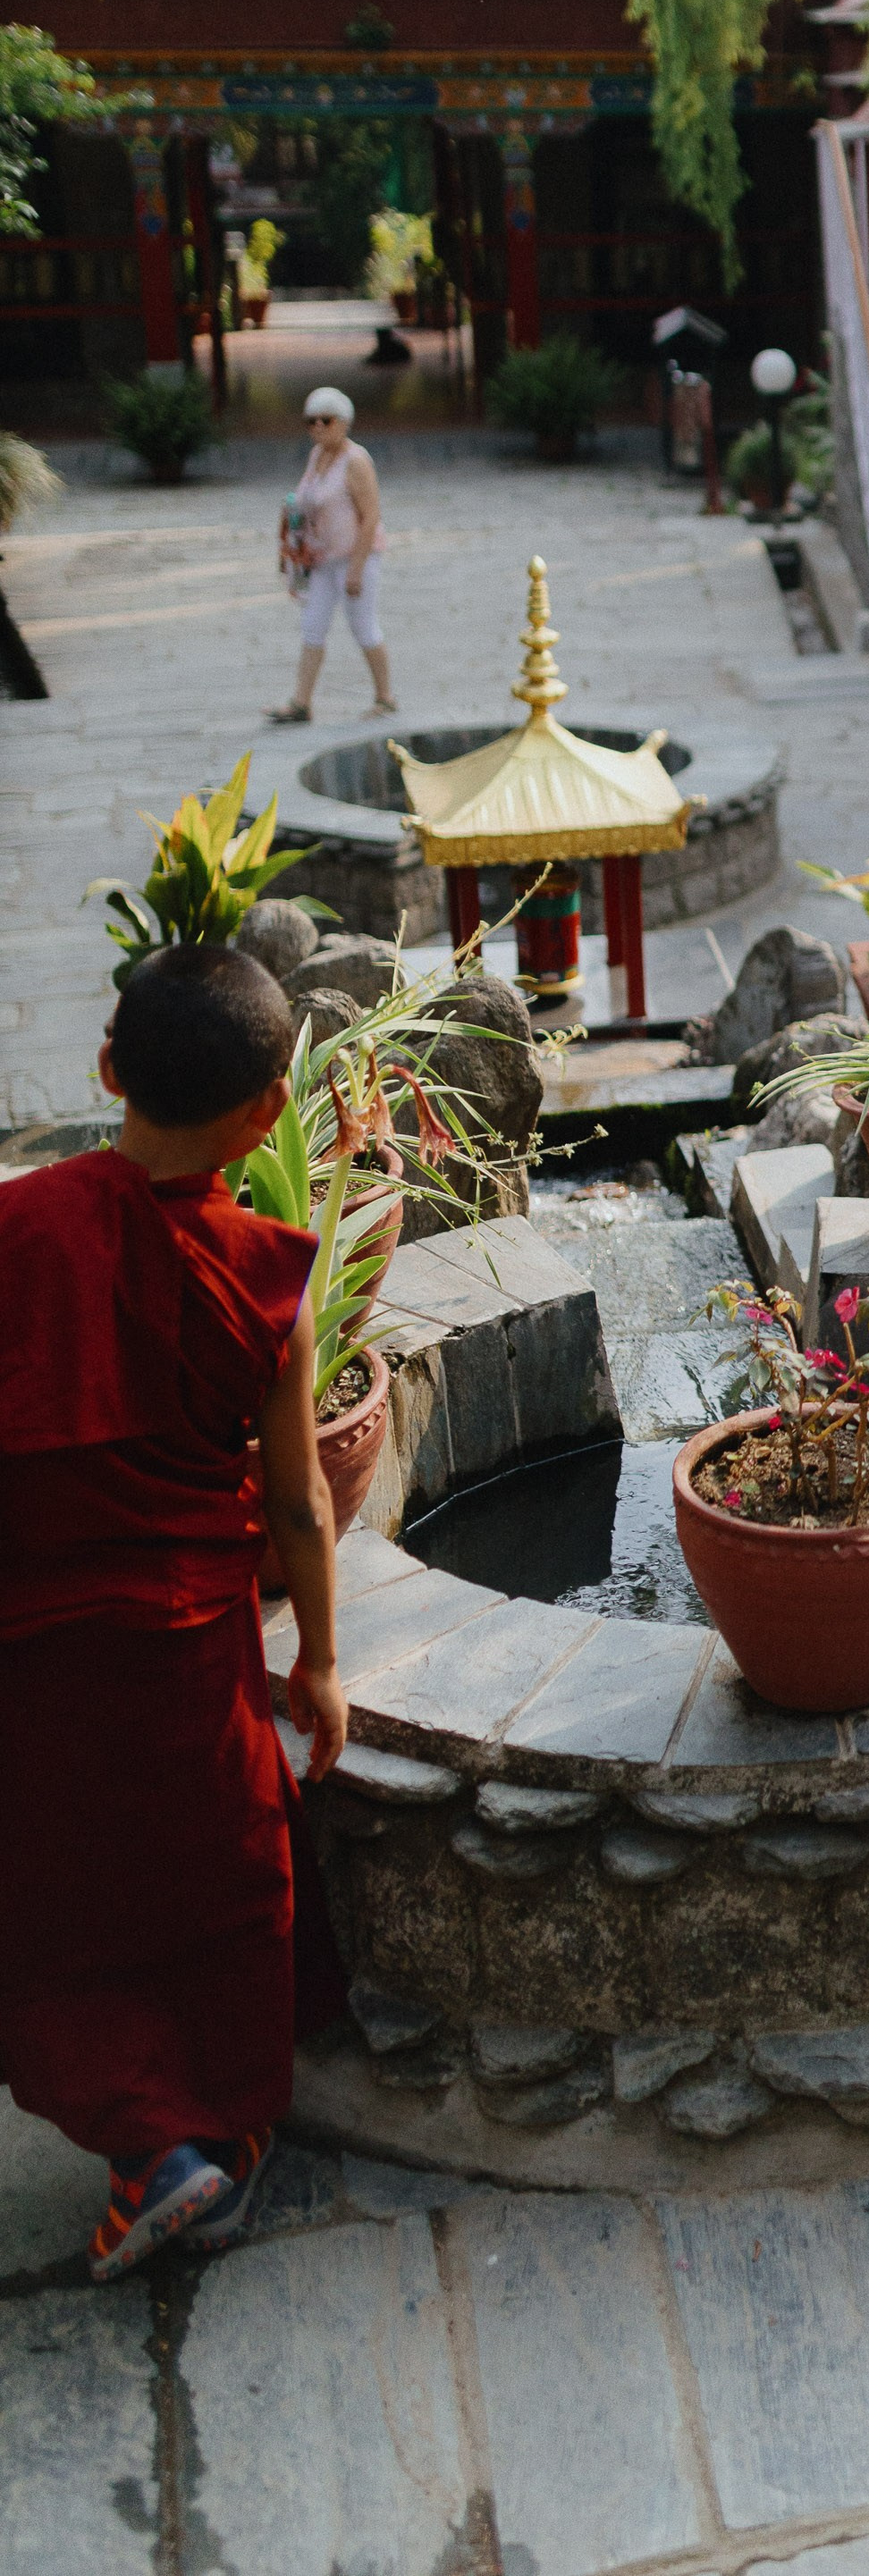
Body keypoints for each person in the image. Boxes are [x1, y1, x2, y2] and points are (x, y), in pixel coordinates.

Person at [0, 946, 348, 2277]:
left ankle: (155, 2142)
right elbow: (303, 1503)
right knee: (215, 1880)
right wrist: (317, 1662)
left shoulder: (17, 1232)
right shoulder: (262, 1273)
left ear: (103, 1071)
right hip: (189, 1644)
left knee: (54, 1899)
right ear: (269, 1115)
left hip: (34, 1648)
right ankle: (201, 2137)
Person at [271, 385, 392, 723]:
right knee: (312, 626)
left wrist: (356, 569)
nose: (318, 428)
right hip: (322, 559)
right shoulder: (317, 457)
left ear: (344, 422)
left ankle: (385, 696)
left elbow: (370, 518)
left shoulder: (356, 461)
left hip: (356, 557)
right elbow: (305, 499)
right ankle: (301, 702)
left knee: (363, 626)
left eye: (326, 420)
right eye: (311, 421)